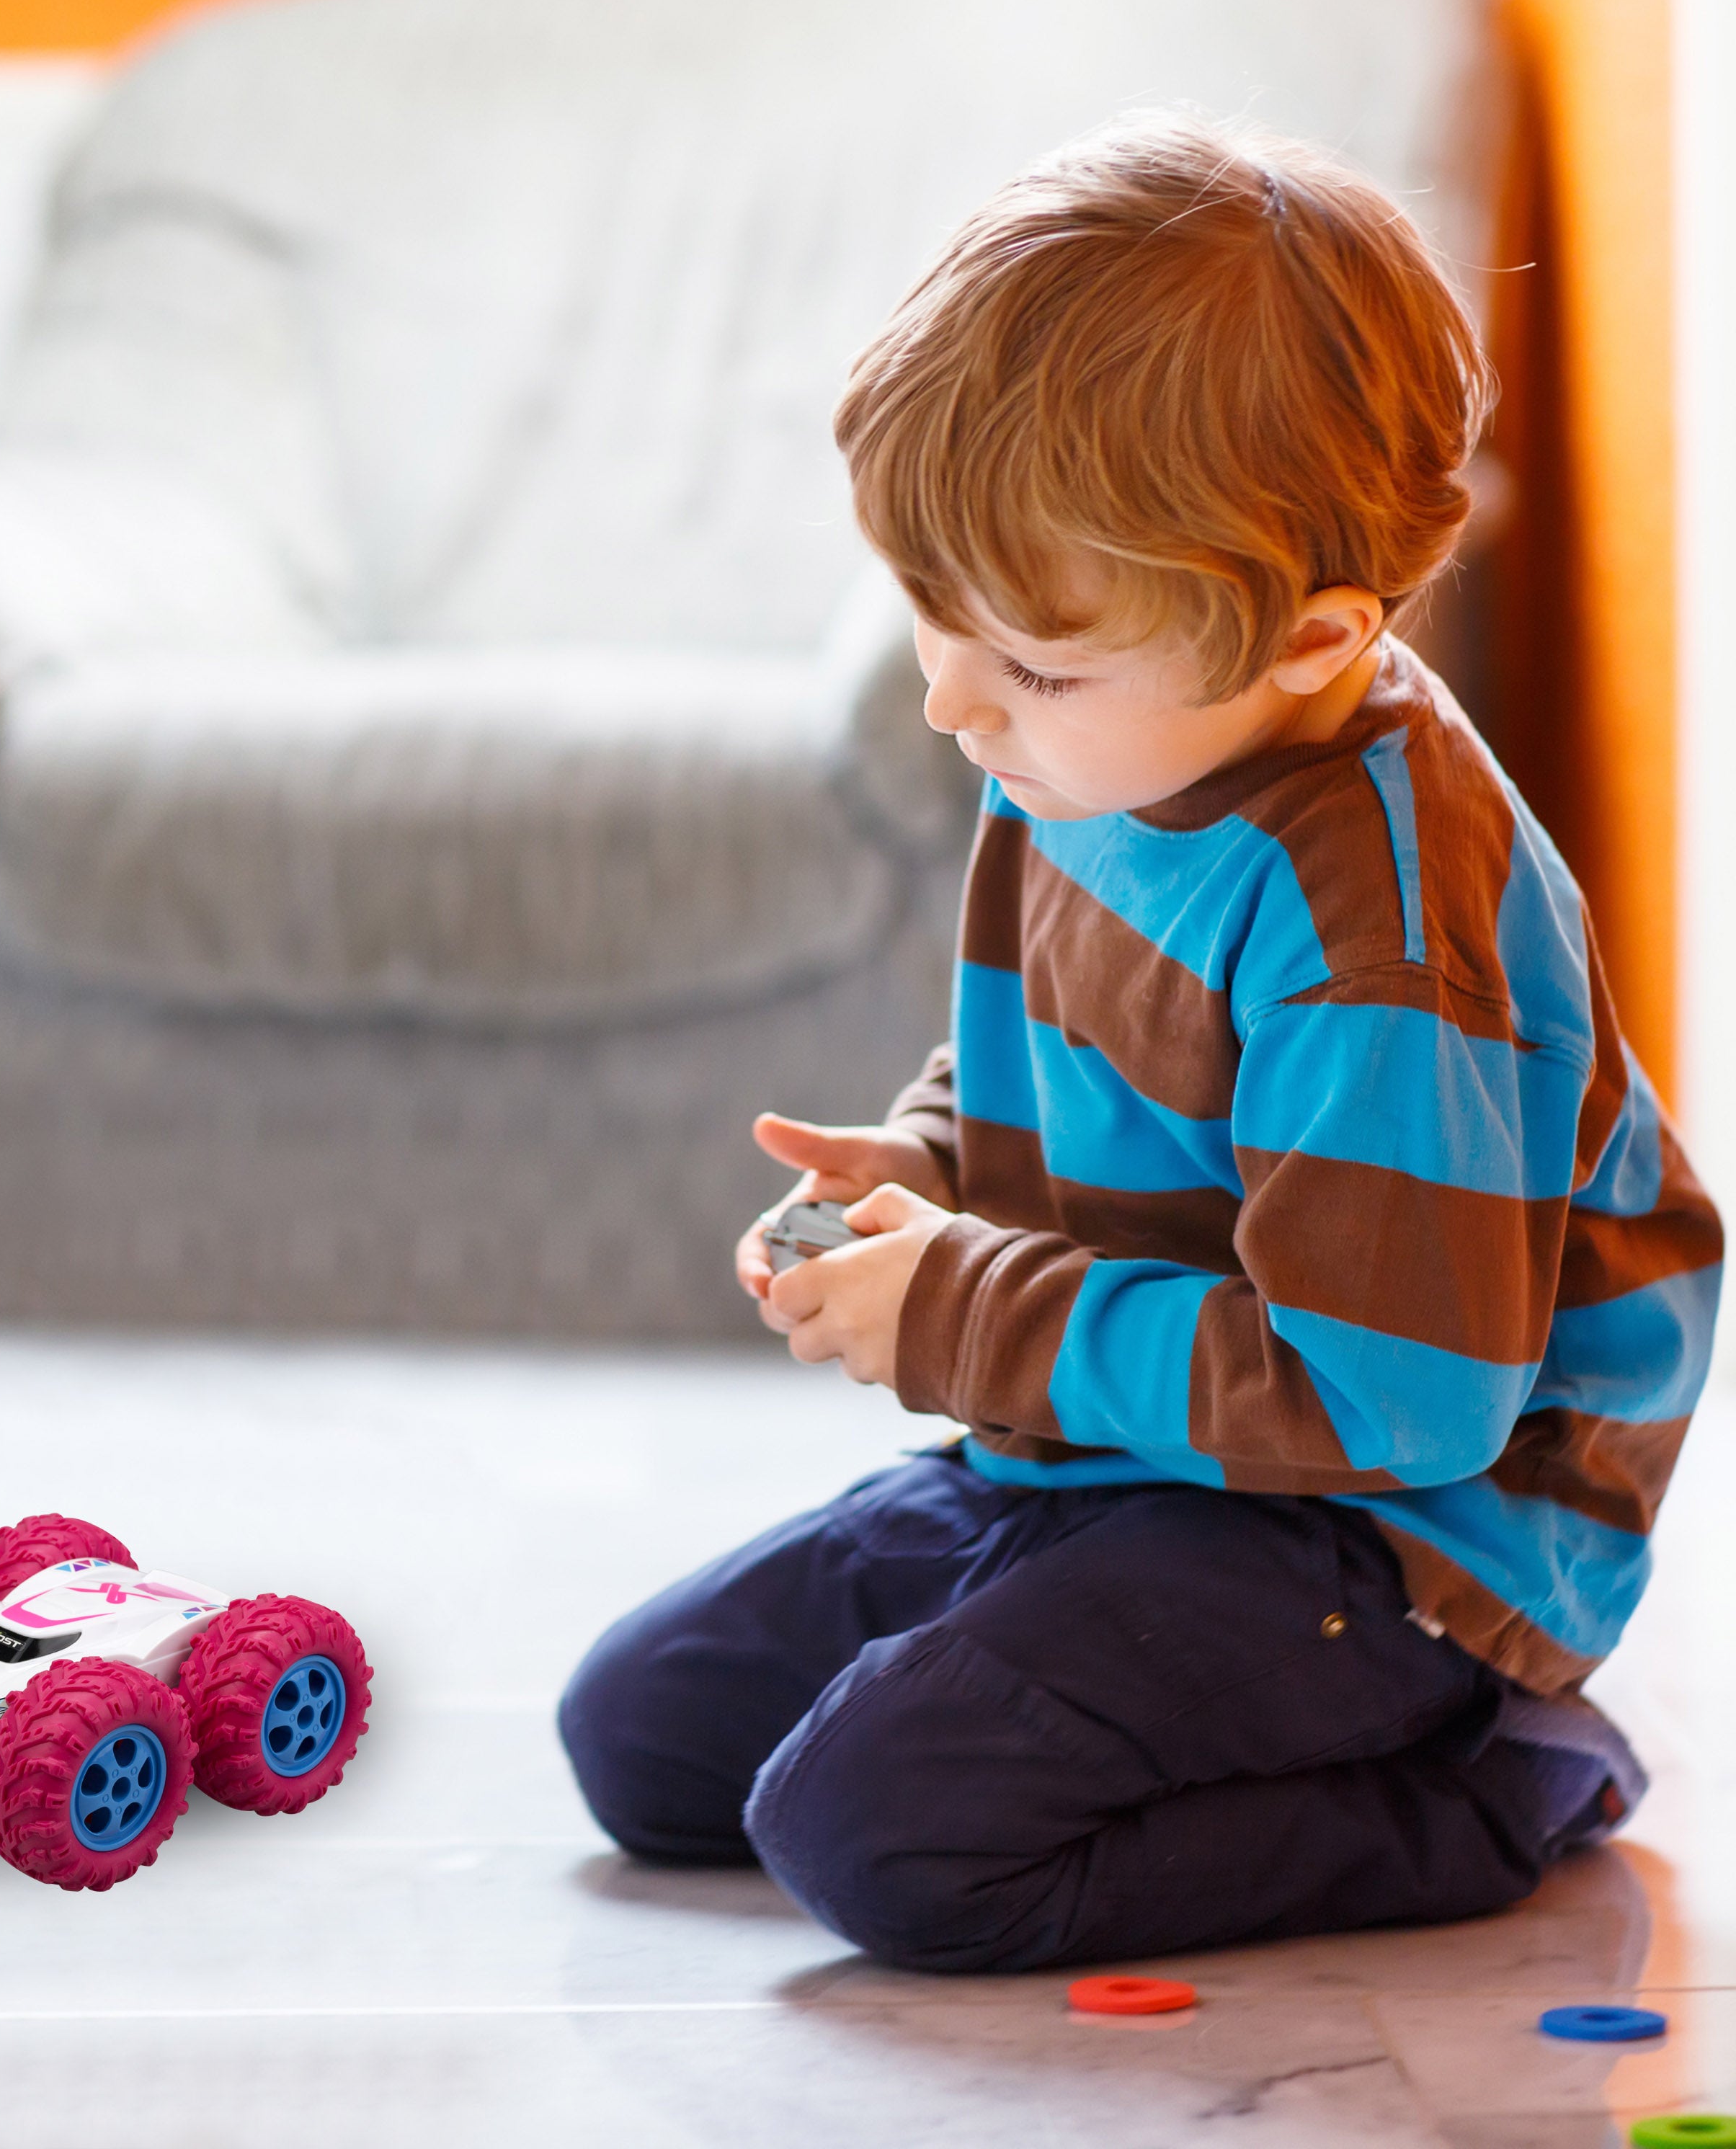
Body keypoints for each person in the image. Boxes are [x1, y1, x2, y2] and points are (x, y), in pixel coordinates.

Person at [556, 115, 1724, 1972]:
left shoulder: (1386, 940)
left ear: (1310, 640)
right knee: (645, 1738)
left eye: (1024, 662)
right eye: (928, 618)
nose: (950, 702)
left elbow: (1397, 1403)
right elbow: (1066, 1053)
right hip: (1137, 1447)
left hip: (1395, 1547)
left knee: (876, 1836)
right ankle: (1081, 1617)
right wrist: (933, 1165)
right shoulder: (1106, 734)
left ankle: (1500, 1777)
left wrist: (962, 1310)